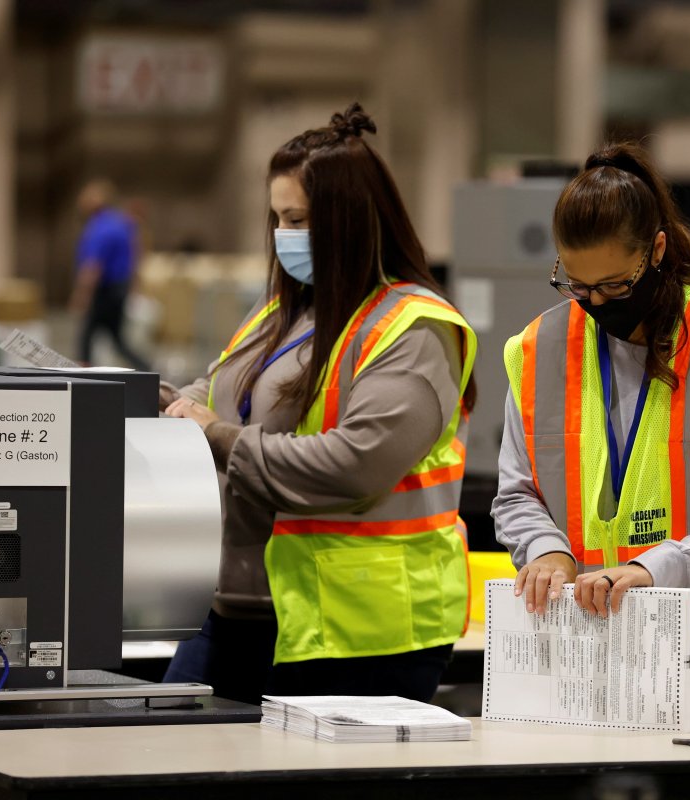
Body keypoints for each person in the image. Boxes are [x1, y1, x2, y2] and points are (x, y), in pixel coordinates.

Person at [161, 104, 477, 705]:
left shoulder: (413, 329)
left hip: (360, 635)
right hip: (242, 610)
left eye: (299, 219)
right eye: (278, 218)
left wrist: (217, 434)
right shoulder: (283, 313)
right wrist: (163, 404)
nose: (284, 235)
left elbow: (354, 464)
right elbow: (215, 393)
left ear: (350, 222)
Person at [492, 142, 690, 712]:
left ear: (656, 250)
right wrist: (544, 550)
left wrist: (653, 569)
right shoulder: (538, 350)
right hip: (592, 670)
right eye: (576, 287)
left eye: (614, 285)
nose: (595, 304)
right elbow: (517, 493)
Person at [70, 179, 151, 371]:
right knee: (115, 339)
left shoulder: (100, 228)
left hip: (105, 291)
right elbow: (136, 256)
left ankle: (83, 375)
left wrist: (81, 296)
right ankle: (148, 369)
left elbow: (93, 266)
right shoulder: (120, 223)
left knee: (87, 337)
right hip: (118, 289)